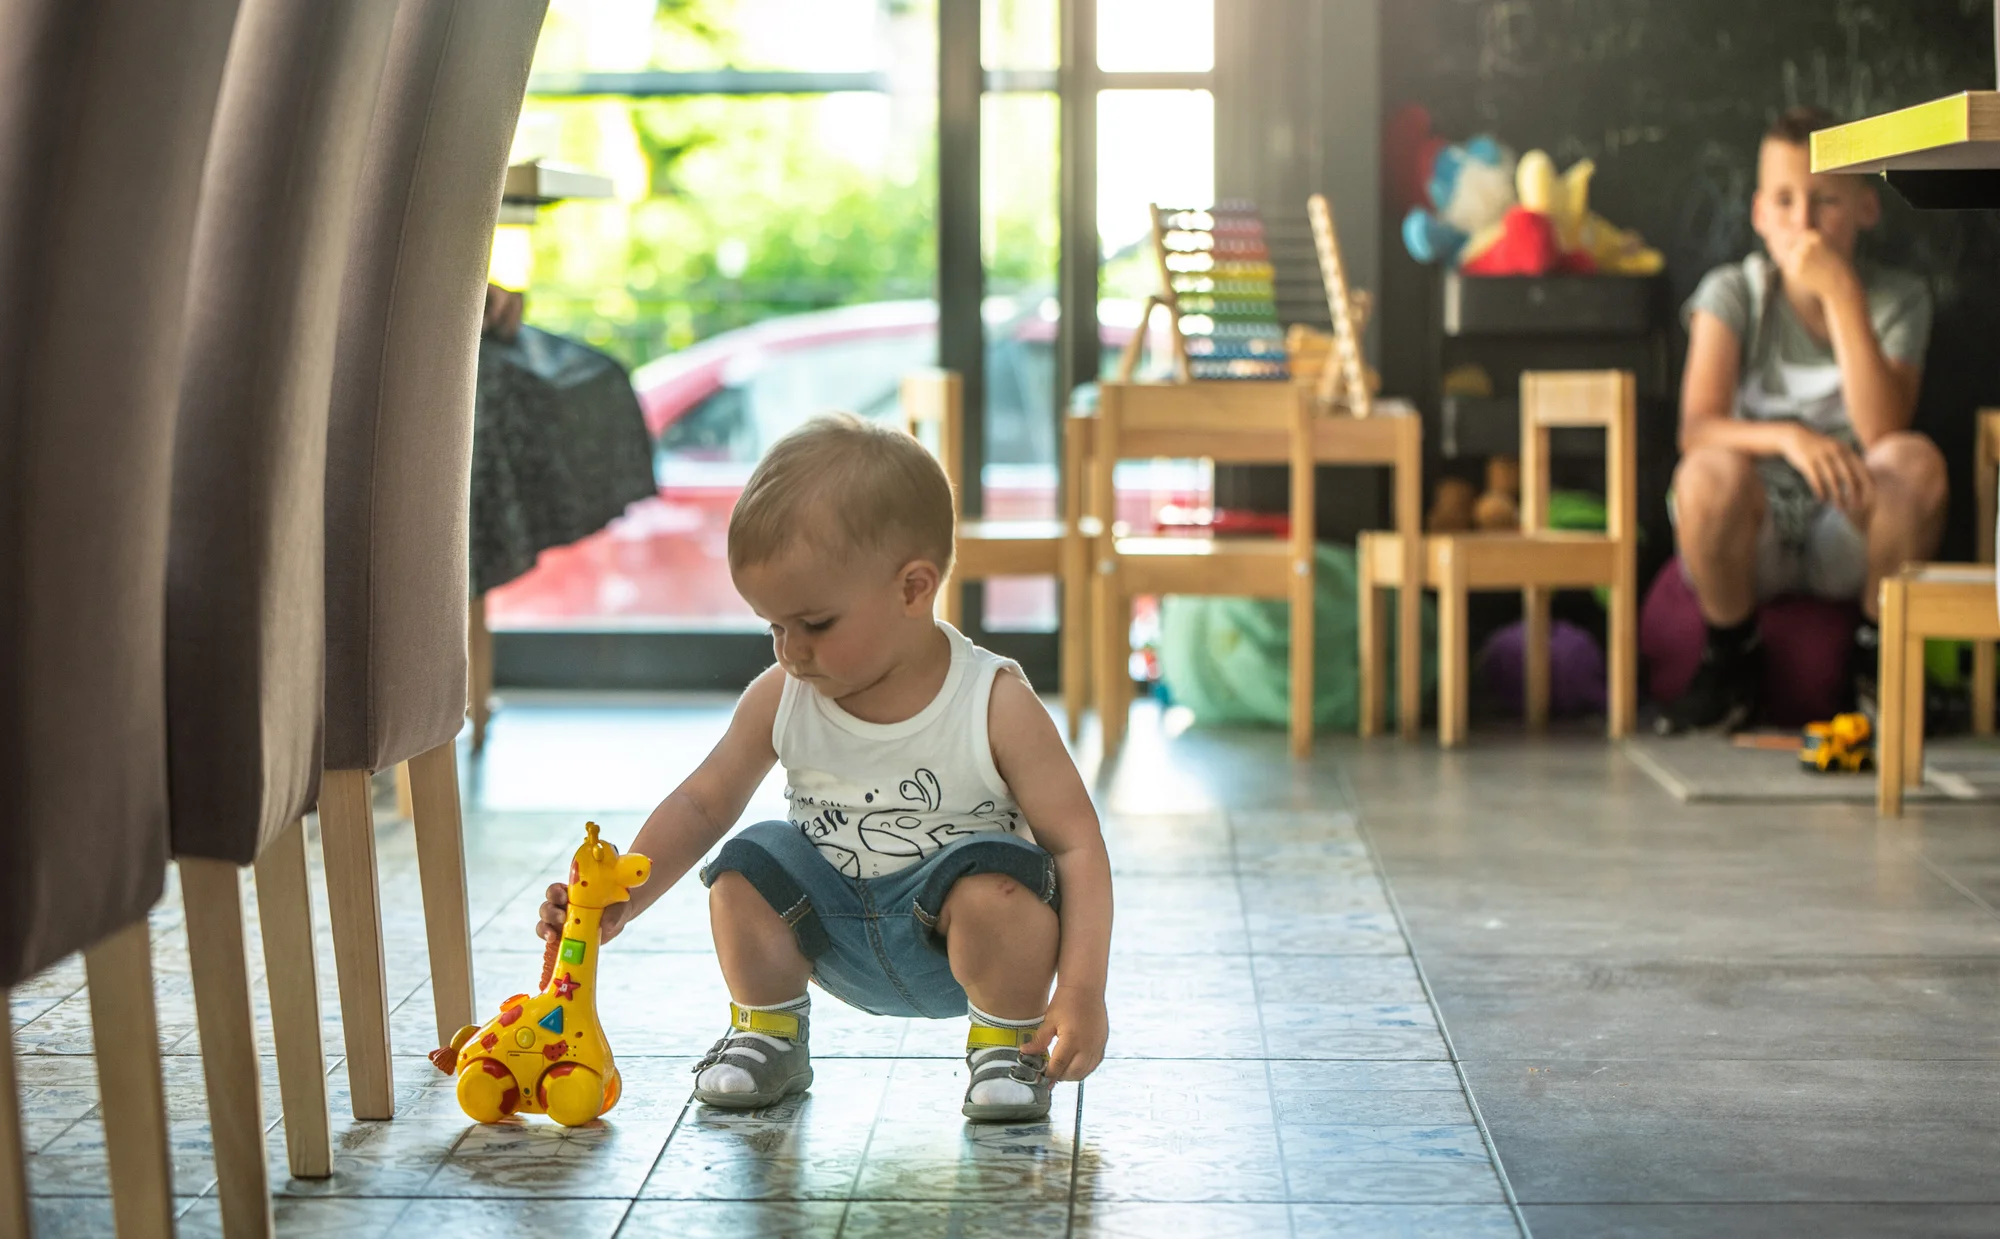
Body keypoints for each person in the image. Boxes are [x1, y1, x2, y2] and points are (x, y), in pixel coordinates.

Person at [537, 414, 1112, 1122]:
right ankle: (769, 1033)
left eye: (815, 623)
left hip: (954, 938)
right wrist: (622, 895)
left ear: (912, 588)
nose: (791, 650)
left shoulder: (994, 702)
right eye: (774, 626)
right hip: (831, 927)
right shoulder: (782, 697)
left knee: (1000, 882)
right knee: (744, 863)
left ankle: (1005, 1046)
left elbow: (1076, 844)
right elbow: (702, 803)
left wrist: (1081, 987)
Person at [1659, 105, 1947, 734]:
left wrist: (1841, 293)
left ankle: (1878, 659)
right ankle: (1731, 655)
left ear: (1867, 209)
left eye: (1826, 202)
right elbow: (1697, 427)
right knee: (1706, 473)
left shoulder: (1899, 298)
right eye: (1786, 202)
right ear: (1759, 214)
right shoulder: (1733, 292)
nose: (1804, 223)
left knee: (1917, 462)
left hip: (1845, 528)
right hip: (1750, 536)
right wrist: (1792, 439)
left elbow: (1882, 433)